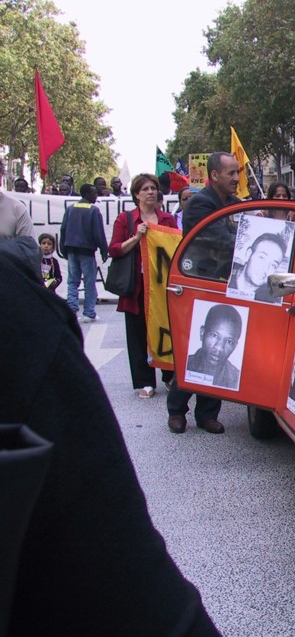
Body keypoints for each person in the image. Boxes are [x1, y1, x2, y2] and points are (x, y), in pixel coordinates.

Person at [0, 253, 220, 637]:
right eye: (147, 186)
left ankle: (201, 412)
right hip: (153, 296)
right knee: (180, 361)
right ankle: (177, 408)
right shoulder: (18, 318)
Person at [167, 151, 241, 435]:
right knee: (196, 351)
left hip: (224, 285)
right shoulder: (199, 205)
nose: (236, 179)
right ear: (214, 175)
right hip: (198, 285)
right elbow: (223, 242)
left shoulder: (236, 205)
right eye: (231, 173)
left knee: (220, 351)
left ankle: (207, 414)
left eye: (237, 172)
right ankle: (177, 411)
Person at [109, 174, 178, 399]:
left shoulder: (167, 219)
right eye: (145, 188)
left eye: (153, 188)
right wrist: (136, 237)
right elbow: (115, 249)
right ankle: (145, 382)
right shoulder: (126, 219)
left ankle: (169, 376)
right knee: (138, 334)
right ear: (136, 194)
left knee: (166, 329)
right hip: (137, 287)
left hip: (162, 287)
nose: (150, 192)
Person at [59, 183, 108, 323]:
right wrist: (104, 250)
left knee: (73, 282)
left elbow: (63, 230)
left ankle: (72, 310)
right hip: (87, 251)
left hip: (71, 250)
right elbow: (99, 233)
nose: (96, 196)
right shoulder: (93, 210)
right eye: (94, 193)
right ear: (87, 194)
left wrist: (63, 248)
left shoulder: (70, 209)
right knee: (89, 282)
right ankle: (89, 312)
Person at [184, 304, 243, 390]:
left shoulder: (236, 379)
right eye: (214, 335)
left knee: (210, 402)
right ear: (202, 333)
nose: (219, 348)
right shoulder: (184, 365)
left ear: (235, 346)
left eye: (229, 341)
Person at [227, 232, 287, 303]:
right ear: (248, 254)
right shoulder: (226, 274)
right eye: (262, 258)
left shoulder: (272, 300)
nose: (265, 268)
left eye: (273, 265)